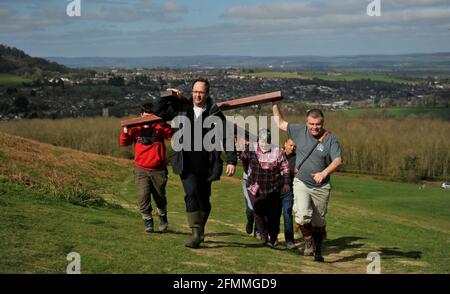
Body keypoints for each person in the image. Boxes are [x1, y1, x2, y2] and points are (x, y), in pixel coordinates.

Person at [153, 79, 237, 248]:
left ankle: (200, 229)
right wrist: (168, 96)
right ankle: (196, 233)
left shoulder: (215, 113)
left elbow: (227, 137)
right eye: (195, 91)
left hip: (207, 165)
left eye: (201, 92)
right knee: (190, 194)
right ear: (191, 92)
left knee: (204, 200)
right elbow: (159, 112)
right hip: (186, 163)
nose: (198, 95)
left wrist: (231, 160)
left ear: (207, 94)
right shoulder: (181, 108)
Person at [272, 104, 342, 262]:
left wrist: (324, 172)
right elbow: (280, 123)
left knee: (319, 221)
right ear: (306, 122)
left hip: (321, 187)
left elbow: (338, 160)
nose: (315, 127)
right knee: (302, 215)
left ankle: (318, 249)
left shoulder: (330, 139)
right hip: (301, 182)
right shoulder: (298, 131)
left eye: (318, 124)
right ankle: (308, 240)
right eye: (311, 124)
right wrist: (275, 104)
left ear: (322, 123)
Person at [120, 103, 174, 233]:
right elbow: (124, 143)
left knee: (160, 197)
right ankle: (148, 221)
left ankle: (162, 217)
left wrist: (164, 124)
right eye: (145, 117)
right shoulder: (135, 128)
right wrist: (126, 133)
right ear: (141, 116)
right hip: (141, 169)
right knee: (143, 196)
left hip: (158, 169)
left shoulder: (159, 127)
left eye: (151, 117)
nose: (148, 120)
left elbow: (173, 136)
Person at [240, 128, 291, 247]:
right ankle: (263, 235)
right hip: (255, 187)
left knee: (273, 215)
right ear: (258, 141)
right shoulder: (252, 148)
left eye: (267, 142)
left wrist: (287, 183)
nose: (264, 144)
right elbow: (242, 156)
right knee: (258, 211)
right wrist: (243, 148)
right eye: (262, 141)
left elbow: (285, 168)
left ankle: (273, 237)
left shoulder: (277, 151)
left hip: (273, 188)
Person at [281, 138, 296, 249]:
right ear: (285, 144)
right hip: (275, 188)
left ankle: (289, 241)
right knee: (273, 214)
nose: (292, 148)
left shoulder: (298, 159)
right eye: (290, 145)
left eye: (294, 146)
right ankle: (271, 237)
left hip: (288, 191)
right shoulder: (277, 155)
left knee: (287, 214)